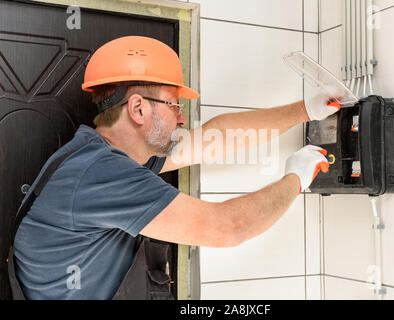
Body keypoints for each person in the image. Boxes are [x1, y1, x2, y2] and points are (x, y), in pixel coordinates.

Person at [11, 36, 339, 300]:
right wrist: (297, 178)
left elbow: (212, 140)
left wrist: (305, 109)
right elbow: (228, 227)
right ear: (138, 108)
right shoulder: (100, 175)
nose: (181, 118)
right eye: (174, 106)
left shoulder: (100, 154)